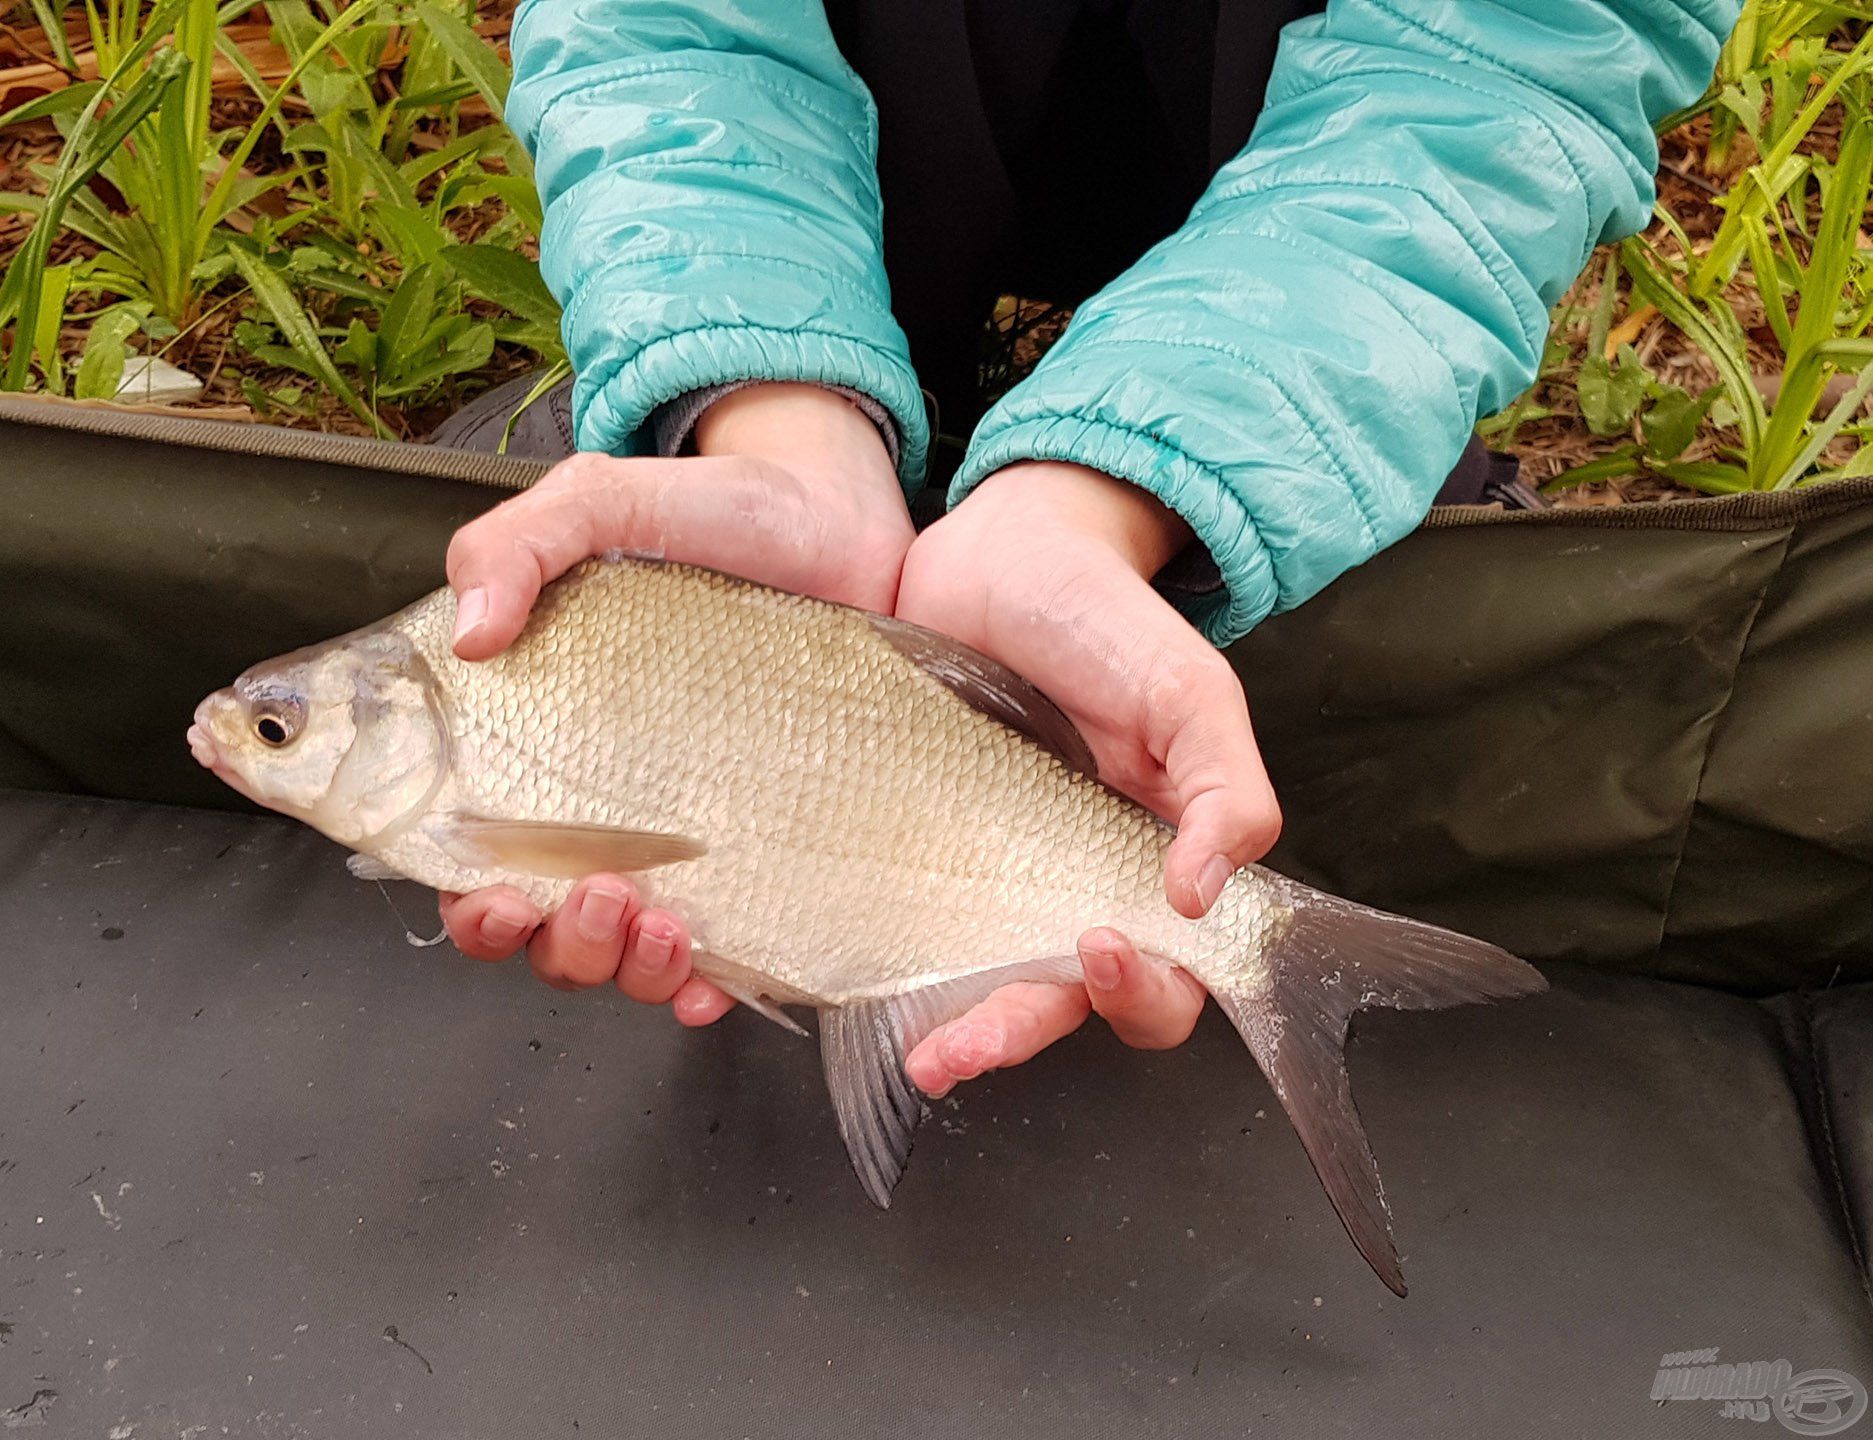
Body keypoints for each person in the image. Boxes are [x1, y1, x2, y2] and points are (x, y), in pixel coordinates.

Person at [435, 0, 1737, 1097]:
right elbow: (676, 31)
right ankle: (801, 381)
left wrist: (1114, 497)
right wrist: (772, 423)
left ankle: (1222, 466)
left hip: (1312, 211)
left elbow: (1498, 66)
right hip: (855, 166)